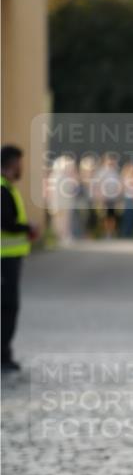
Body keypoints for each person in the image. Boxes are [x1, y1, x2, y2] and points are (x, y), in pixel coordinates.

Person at [1, 145, 37, 372]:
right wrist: (28, 227)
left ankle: (4, 353)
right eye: (20, 163)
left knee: (8, 306)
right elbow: (5, 222)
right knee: (7, 306)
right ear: (12, 163)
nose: (22, 168)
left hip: (10, 257)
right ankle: (2, 354)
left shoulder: (7, 188)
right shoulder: (2, 189)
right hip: (4, 258)